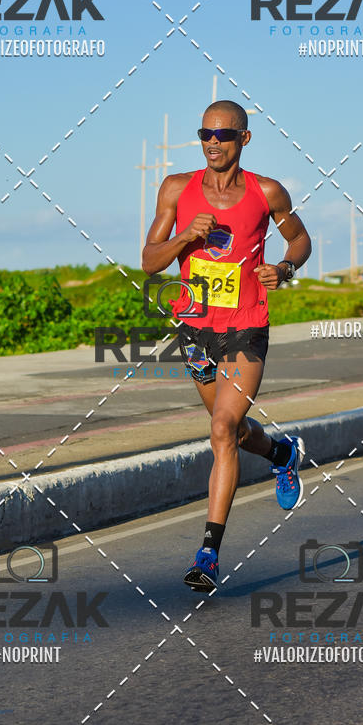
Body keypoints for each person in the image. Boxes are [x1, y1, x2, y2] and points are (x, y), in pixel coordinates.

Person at [141, 100, 312, 592]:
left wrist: (284, 269)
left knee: (221, 427)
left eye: (224, 135)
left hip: (245, 326)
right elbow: (150, 261)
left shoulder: (267, 191)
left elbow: (299, 240)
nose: (213, 143)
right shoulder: (177, 189)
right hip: (195, 329)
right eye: (205, 134)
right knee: (233, 435)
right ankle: (281, 453)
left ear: (244, 139)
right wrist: (183, 239)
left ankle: (208, 555)